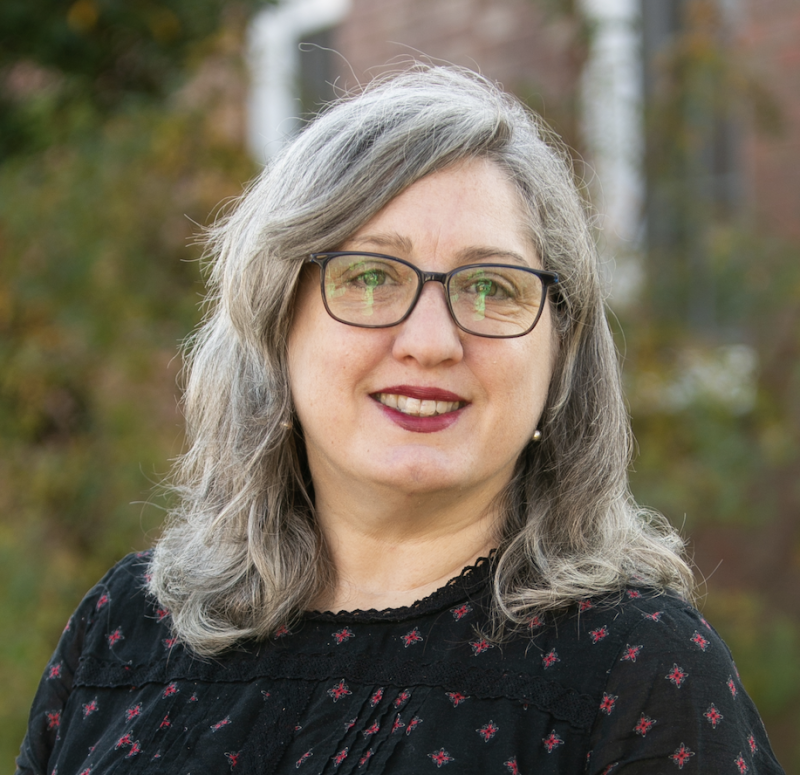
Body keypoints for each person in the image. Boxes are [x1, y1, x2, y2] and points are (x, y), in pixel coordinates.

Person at [17, 65, 784, 775]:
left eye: (492, 288)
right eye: (371, 276)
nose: (431, 342)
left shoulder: (640, 675)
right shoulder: (125, 632)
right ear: (276, 321)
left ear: (561, 356)